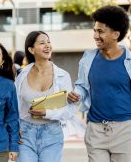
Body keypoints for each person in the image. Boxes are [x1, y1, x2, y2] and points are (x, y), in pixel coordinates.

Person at [67, 5, 131, 162]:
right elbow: (82, 86)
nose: (95, 36)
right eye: (95, 30)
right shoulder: (88, 58)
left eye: (100, 31)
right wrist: (77, 94)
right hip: (95, 129)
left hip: (125, 130)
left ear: (116, 34)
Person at [15, 31, 86, 162]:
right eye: (42, 43)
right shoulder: (21, 75)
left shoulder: (62, 75)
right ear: (31, 49)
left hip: (52, 134)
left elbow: (69, 111)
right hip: (25, 134)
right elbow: (15, 107)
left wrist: (47, 113)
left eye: (48, 42)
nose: (47, 46)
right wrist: (14, 130)